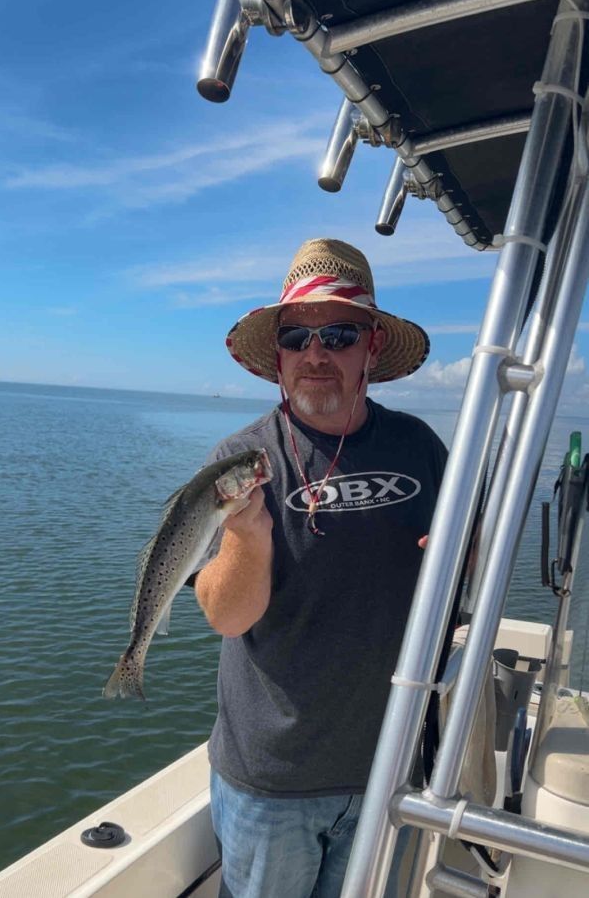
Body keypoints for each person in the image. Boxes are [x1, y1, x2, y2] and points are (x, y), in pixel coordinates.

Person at [194, 238, 447, 898]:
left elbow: (452, 575)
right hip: (272, 778)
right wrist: (248, 540)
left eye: (337, 335)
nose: (315, 353)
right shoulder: (237, 458)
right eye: (296, 337)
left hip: (391, 761)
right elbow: (224, 615)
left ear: (369, 348)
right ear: (276, 357)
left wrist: (459, 563)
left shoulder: (418, 446)